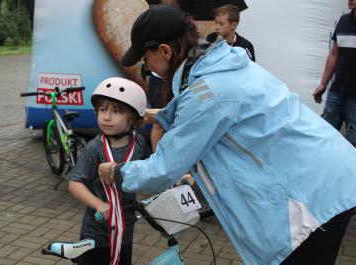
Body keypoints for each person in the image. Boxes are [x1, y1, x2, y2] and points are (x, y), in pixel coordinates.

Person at [98, 5, 356, 265]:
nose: (146, 65)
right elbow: (208, 108)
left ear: (165, 51)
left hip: (311, 195)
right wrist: (157, 114)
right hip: (328, 174)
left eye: (145, 57)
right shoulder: (223, 64)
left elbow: (164, 169)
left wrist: (118, 172)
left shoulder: (207, 90)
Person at [68, 77, 151, 265]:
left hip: (125, 231)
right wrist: (98, 204)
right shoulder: (94, 148)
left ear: (133, 118)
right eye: (103, 109)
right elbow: (75, 184)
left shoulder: (138, 143)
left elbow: (151, 169)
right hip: (95, 233)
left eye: (116, 111)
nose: (106, 117)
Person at [313, 0, 356, 148]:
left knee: (352, 146)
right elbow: (334, 54)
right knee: (324, 139)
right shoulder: (344, 20)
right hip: (336, 93)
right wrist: (323, 84)